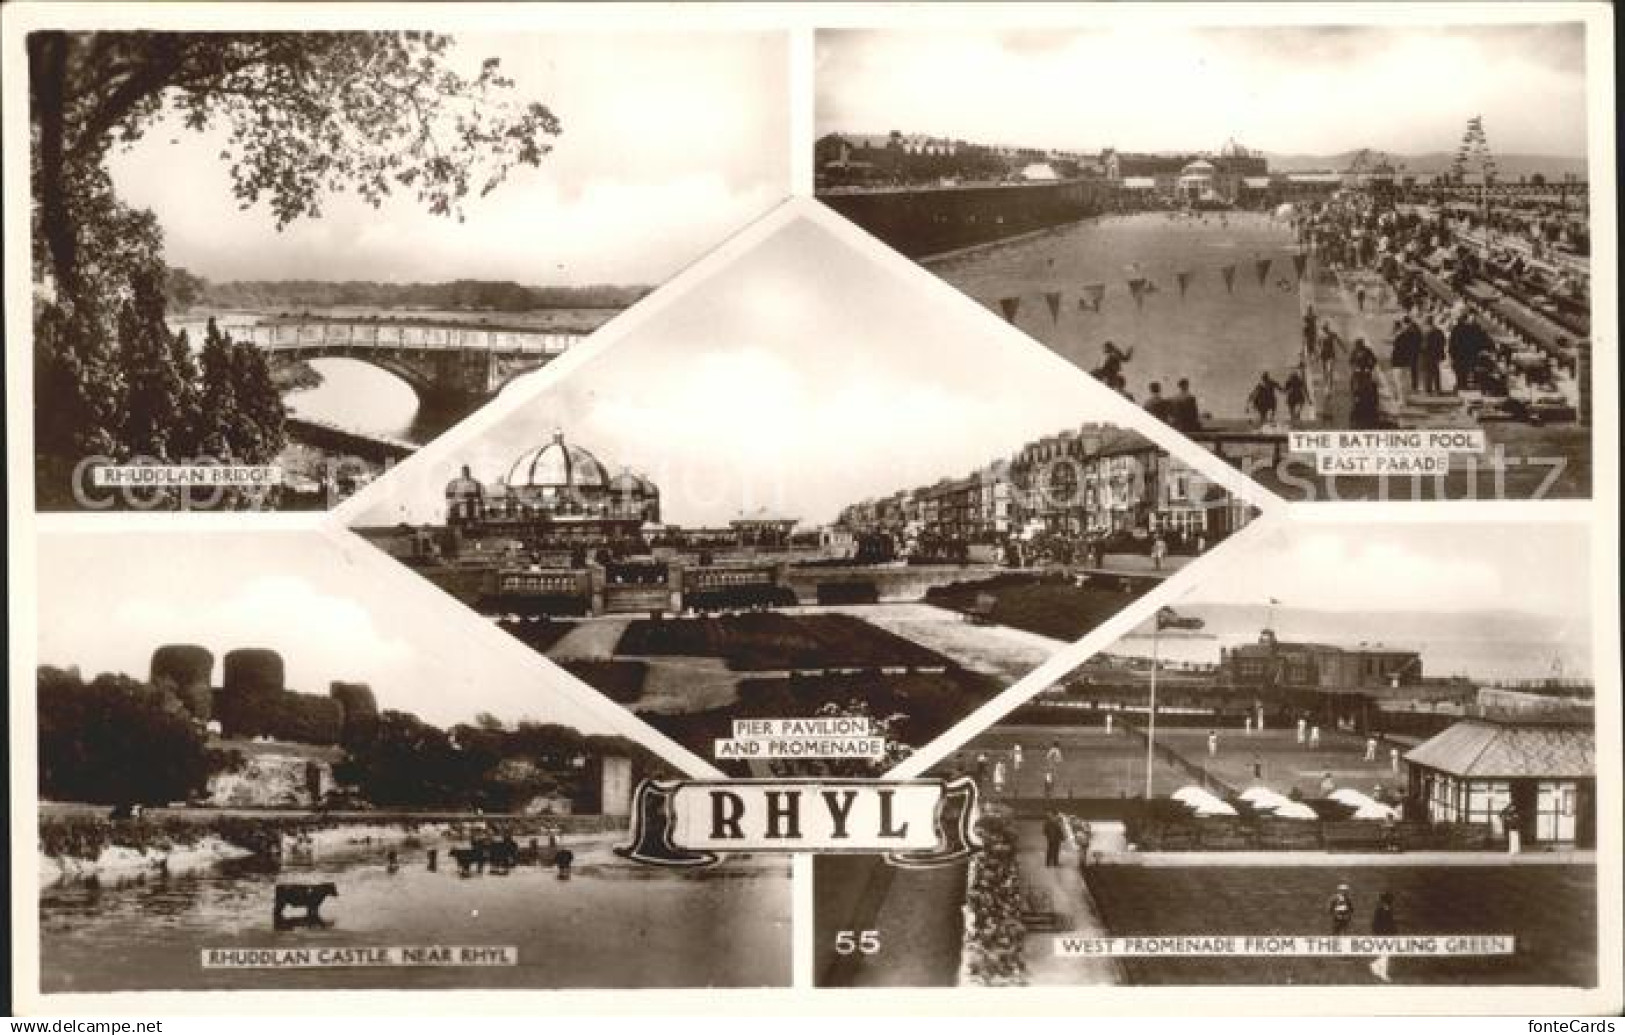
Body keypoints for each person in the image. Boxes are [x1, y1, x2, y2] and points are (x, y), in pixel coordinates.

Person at [1369, 891, 1398, 982]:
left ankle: (1375, 966)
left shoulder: (1389, 910)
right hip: (1381, 936)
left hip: (1388, 935)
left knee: (1386, 954)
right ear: (1385, 901)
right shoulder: (1379, 911)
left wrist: (1394, 932)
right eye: (1389, 901)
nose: (1391, 902)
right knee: (1385, 954)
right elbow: (1375, 924)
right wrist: (1378, 934)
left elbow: (1391, 924)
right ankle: (1383, 974)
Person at [1420, 316, 1446, 395]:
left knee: (1427, 372)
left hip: (1427, 354)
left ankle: (1428, 390)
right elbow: (1443, 341)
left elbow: (1423, 345)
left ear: (1427, 322)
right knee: (1436, 371)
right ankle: (1438, 389)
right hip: (1436, 354)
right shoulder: (1438, 331)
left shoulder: (1425, 332)